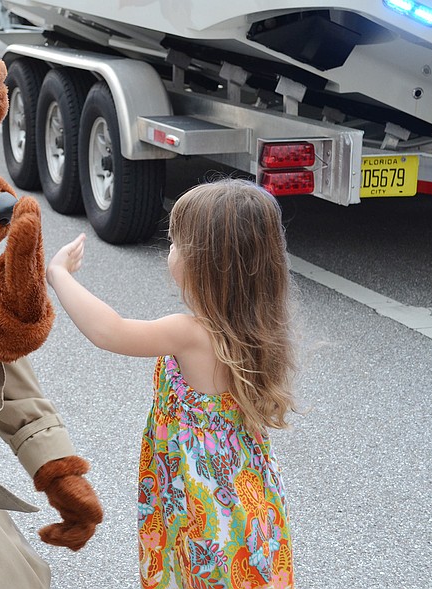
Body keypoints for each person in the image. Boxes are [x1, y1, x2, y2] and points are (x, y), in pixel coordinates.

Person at [46, 178, 298, 589]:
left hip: (201, 500)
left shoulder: (192, 333)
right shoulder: (258, 326)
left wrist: (59, 275)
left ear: (207, 263)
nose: (170, 252)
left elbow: (110, 331)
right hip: (241, 495)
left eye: (176, 245)